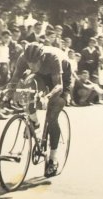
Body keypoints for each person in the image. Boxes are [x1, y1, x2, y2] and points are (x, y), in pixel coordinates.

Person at [6, 42, 69, 177]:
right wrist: (7, 95)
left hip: (61, 75)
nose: (31, 66)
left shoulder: (53, 58)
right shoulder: (23, 58)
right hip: (41, 75)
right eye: (29, 63)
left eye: (35, 63)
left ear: (42, 58)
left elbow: (59, 85)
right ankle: (35, 123)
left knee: (52, 116)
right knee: (28, 89)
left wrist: (47, 97)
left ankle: (53, 159)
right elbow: (15, 78)